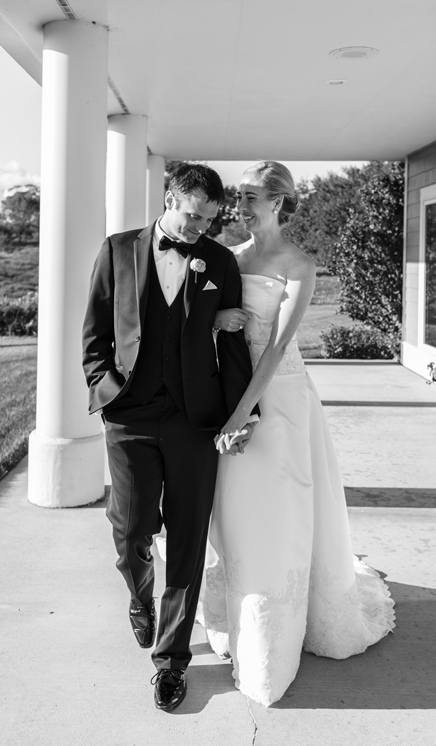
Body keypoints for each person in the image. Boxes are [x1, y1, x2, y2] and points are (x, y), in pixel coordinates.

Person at [198, 160, 395, 707]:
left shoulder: (299, 266)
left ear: (279, 203)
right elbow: (209, 323)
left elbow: (278, 347)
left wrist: (242, 413)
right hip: (232, 394)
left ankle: (280, 636)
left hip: (281, 401)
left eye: (252, 198)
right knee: (237, 513)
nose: (241, 207)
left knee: (282, 510)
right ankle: (244, 613)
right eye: (239, 197)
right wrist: (217, 327)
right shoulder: (229, 259)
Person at [82, 163, 257, 711]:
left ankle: (172, 661)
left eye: (208, 220)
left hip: (194, 420)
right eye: (191, 215)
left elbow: (232, 350)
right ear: (168, 198)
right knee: (131, 528)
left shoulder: (221, 262)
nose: (198, 229)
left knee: (187, 539)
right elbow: (95, 335)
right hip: (129, 416)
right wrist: (105, 389)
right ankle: (139, 597)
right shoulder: (116, 250)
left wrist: (239, 415)